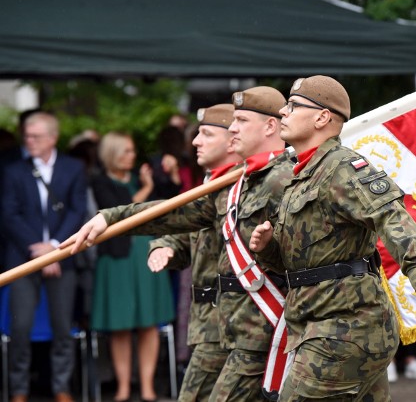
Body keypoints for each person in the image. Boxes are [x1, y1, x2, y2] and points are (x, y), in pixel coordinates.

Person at [62, 86, 294, 401]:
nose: (196, 141)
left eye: (240, 121)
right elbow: (178, 216)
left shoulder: (284, 179)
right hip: (232, 325)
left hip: (265, 324)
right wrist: (111, 219)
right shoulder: (237, 184)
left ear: (270, 126)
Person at [249, 75, 416, 400]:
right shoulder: (298, 175)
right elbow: (305, 261)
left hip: (346, 326)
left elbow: (392, 217)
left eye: (292, 106)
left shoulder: (343, 167)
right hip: (320, 320)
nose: (282, 114)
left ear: (321, 117)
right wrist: (268, 250)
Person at [146, 103, 242, 402]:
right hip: (208, 325)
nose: (195, 141)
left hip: (238, 325)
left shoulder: (249, 185)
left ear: (233, 139)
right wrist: (165, 246)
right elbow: (187, 236)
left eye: (206, 134)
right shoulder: (210, 184)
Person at [1, 112, 87, 402]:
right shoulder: (13, 170)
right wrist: (38, 249)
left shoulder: (73, 168)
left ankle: (61, 387)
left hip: (63, 256)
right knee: (21, 327)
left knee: (63, 326)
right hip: (24, 258)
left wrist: (54, 249)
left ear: (53, 137)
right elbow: (9, 215)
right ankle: (19, 390)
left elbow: (78, 211)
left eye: (35, 136)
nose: (29, 141)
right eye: (27, 135)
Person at [90, 132, 175, 402]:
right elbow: (116, 215)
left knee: (149, 323)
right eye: (126, 151)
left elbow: (171, 204)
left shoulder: (141, 178)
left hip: (144, 254)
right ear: (112, 153)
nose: (132, 156)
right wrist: (147, 189)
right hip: (117, 259)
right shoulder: (100, 181)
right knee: (120, 325)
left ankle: (148, 387)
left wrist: (170, 177)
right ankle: (124, 387)